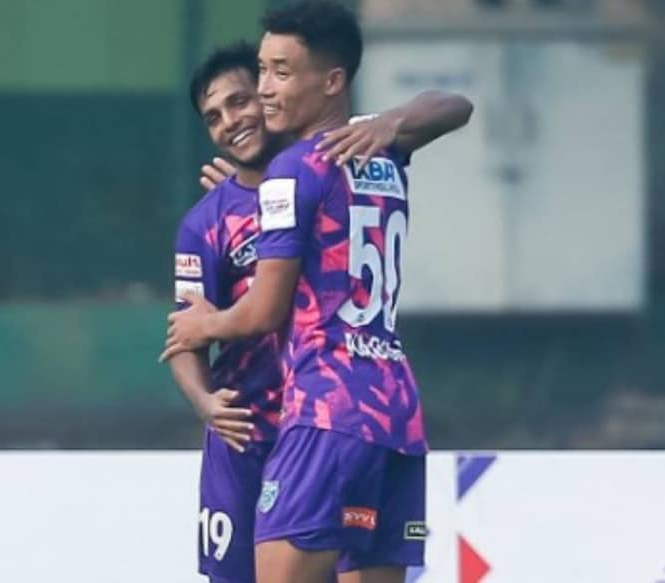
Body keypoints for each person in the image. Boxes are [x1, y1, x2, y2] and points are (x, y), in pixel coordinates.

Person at [171, 34, 473, 582]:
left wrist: (393, 119)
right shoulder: (208, 220)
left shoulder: (332, 160)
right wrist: (204, 402)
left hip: (320, 415)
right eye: (213, 116)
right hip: (250, 430)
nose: (232, 119)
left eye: (243, 98)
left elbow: (453, 106)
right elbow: (183, 334)